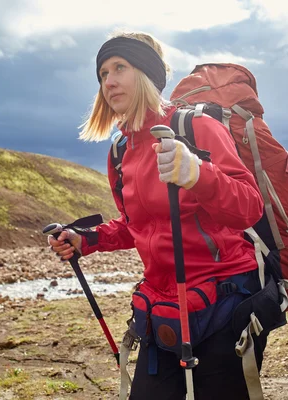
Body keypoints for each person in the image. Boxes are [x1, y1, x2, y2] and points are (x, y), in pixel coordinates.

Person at [48, 30, 268, 400]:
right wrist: (86, 239)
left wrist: (198, 174)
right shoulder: (120, 150)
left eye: (120, 67)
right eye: (103, 73)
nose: (110, 81)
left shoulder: (195, 128)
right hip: (162, 304)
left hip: (225, 302)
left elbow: (249, 206)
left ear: (147, 74)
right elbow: (138, 225)